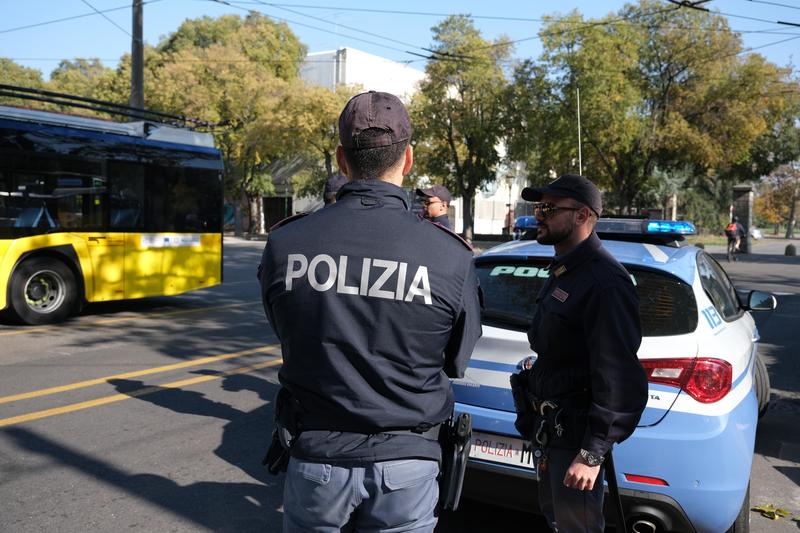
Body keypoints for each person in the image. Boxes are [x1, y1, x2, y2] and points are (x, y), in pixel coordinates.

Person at [258, 90, 482, 533]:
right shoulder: (450, 256)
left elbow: (285, 330)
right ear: (409, 158)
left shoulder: (286, 244)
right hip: (406, 468)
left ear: (341, 160)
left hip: (316, 460)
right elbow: (456, 358)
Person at [519, 174, 648, 532]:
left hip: (575, 441)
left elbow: (619, 378)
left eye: (548, 208)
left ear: (582, 216)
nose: (538, 215)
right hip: (552, 432)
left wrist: (592, 453)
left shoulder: (605, 282)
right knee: (558, 521)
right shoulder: (565, 270)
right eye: (537, 207)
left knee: (578, 527)